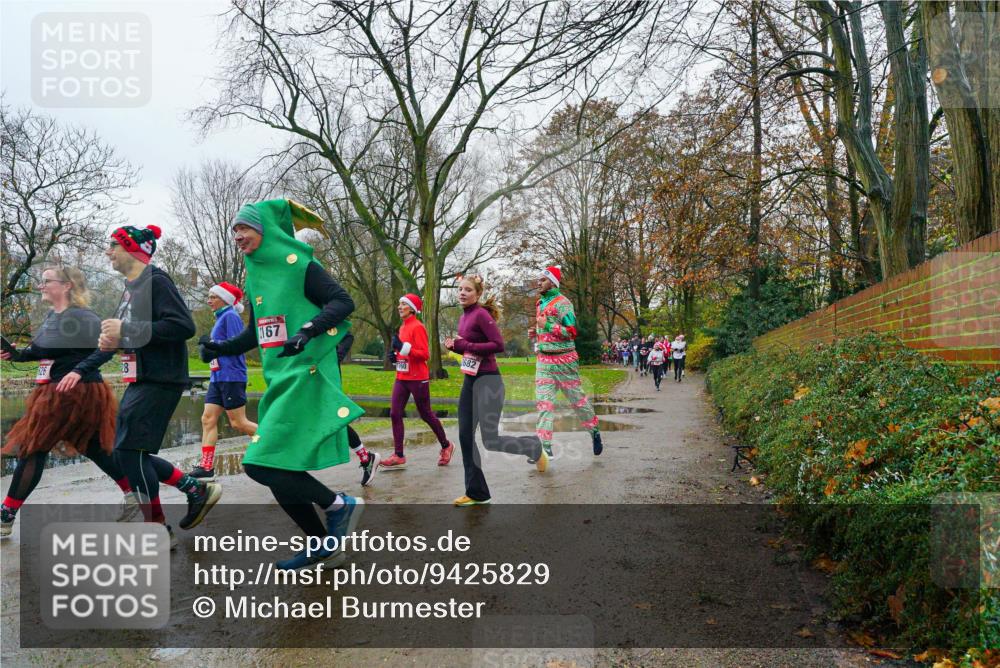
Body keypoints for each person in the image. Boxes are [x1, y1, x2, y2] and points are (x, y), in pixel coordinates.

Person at [199, 199, 366, 570]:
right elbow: (255, 334)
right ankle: (323, 545)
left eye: (244, 228)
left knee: (259, 463)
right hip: (279, 379)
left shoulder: (300, 265)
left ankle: (340, 506)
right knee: (277, 466)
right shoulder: (256, 274)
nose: (237, 236)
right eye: (234, 230)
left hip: (305, 373)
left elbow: (343, 302)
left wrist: (307, 332)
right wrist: (220, 347)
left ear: (267, 230)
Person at [100, 225, 221, 545]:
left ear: (131, 249)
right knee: (127, 451)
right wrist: (111, 340)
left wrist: (126, 327)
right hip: (142, 378)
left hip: (161, 377)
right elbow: (129, 334)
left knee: (128, 451)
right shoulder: (130, 289)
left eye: (113, 245)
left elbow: (183, 326)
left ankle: (157, 526)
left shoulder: (156, 281)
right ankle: (193, 489)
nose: (108, 251)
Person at [1, 266, 137, 538]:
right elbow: (41, 352)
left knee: (33, 447)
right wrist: (14, 354)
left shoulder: (82, 317)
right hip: (59, 389)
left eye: (46, 281)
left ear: (66, 286)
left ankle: (5, 516)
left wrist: (78, 371)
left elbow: (106, 350)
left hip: (76, 392)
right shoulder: (55, 316)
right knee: (94, 448)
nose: (41, 286)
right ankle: (136, 494)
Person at [445, 274, 543, 502]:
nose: (462, 293)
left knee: (490, 440)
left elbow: (498, 345)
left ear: (478, 294)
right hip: (470, 381)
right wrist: (457, 347)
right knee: (465, 436)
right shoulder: (464, 317)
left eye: (468, 290)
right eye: (460, 289)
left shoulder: (481, 314)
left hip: (489, 382)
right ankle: (477, 492)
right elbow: (472, 350)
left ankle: (533, 447)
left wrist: (465, 344)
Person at [530, 266, 602, 464]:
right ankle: (544, 447)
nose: (539, 283)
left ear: (553, 282)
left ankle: (594, 430)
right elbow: (545, 327)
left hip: (565, 361)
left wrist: (547, 326)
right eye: (539, 280)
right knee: (544, 404)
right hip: (544, 361)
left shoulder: (563, 304)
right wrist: (536, 332)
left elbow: (571, 332)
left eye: (543, 280)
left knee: (577, 402)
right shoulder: (539, 303)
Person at [189, 282, 257, 480]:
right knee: (207, 419)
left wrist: (213, 346)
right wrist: (208, 352)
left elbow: (237, 345)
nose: (209, 300)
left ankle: (274, 448)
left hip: (231, 376)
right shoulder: (220, 318)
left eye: (213, 297)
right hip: (217, 377)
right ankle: (207, 467)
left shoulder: (231, 316)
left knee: (238, 423)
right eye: (208, 297)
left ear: (225, 299)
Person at [381, 293, 454, 470]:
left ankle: (446, 445)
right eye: (399, 304)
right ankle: (399, 455)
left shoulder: (417, 327)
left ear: (412, 308)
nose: (399, 307)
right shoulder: (403, 327)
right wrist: (395, 355)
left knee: (425, 414)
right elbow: (404, 352)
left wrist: (403, 348)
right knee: (394, 413)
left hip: (418, 378)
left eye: (403, 304)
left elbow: (424, 355)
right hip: (402, 377)